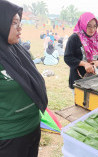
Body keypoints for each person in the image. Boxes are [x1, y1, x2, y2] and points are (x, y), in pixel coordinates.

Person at [0, 1, 48, 157]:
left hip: (33, 127)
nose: (20, 28)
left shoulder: (19, 51)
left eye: (19, 22)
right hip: (10, 136)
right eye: (14, 23)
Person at [64, 12, 98, 91]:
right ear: (83, 24)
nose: (92, 29)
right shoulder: (74, 38)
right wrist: (84, 64)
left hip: (94, 79)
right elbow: (68, 58)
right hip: (78, 80)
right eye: (89, 26)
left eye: (95, 26)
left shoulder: (96, 39)